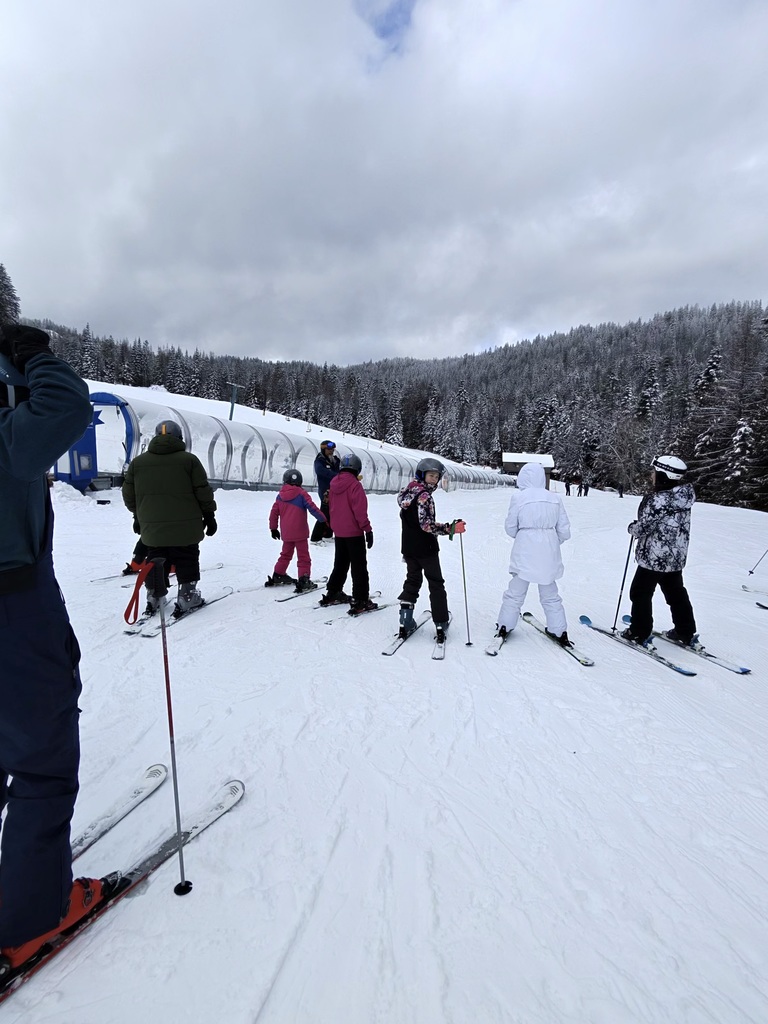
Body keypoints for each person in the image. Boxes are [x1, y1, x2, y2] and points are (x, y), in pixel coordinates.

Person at [0, 324, 107, 973]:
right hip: (13, 598)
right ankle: (32, 914)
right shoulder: (11, 427)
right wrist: (31, 354)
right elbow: (67, 405)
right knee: (40, 757)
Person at [122, 420, 217, 618]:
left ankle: (154, 596)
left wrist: (138, 515)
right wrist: (209, 514)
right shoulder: (189, 461)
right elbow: (202, 490)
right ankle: (187, 596)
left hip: (152, 525)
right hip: (187, 524)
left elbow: (129, 494)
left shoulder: (138, 463)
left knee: (155, 556)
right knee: (187, 556)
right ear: (179, 438)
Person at [621, 455, 698, 647]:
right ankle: (685, 630)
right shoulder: (683, 496)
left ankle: (638, 632)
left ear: (664, 474)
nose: (652, 475)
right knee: (676, 593)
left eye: (654, 472)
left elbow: (644, 527)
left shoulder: (658, 500)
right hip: (675, 557)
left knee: (640, 592)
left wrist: (633, 528)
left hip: (654, 557)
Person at [495, 462, 572, 646]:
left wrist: (525, 536)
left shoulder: (519, 497)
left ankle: (505, 625)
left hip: (525, 549)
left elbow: (510, 527)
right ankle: (559, 630)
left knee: (515, 591)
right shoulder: (554, 498)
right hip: (549, 550)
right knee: (550, 593)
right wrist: (552, 541)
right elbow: (564, 530)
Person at [396, 458, 465, 643]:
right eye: (431, 475)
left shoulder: (407, 493)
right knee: (435, 583)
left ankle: (405, 621)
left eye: (436, 476)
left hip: (409, 548)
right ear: (422, 474)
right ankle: (441, 623)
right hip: (426, 548)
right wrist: (450, 528)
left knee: (413, 580)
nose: (434, 479)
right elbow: (426, 525)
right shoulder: (425, 496)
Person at [319, 454, 377, 614]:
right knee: (359, 567)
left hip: (339, 532)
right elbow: (360, 511)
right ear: (356, 468)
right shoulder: (355, 485)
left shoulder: (333, 483)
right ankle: (361, 599)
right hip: (353, 532)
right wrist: (367, 529)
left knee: (341, 563)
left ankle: (333, 592)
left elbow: (331, 507)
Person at [266, 469, 327, 592]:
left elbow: (274, 513)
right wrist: (323, 519)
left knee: (285, 554)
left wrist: (273, 528)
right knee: (303, 557)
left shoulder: (280, 496)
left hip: (287, 533)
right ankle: (304, 579)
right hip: (300, 532)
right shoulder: (302, 494)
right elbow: (313, 508)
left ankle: (278, 574)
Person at [310, 440, 340, 543]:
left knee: (333, 513)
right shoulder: (320, 460)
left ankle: (328, 535)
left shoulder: (335, 460)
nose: (331, 451)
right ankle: (315, 537)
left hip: (334, 490)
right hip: (325, 491)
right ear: (323, 449)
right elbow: (320, 471)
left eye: (332, 449)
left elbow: (340, 471)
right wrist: (336, 476)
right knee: (324, 513)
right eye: (329, 449)